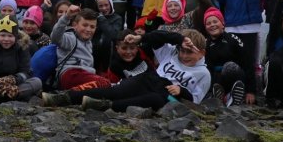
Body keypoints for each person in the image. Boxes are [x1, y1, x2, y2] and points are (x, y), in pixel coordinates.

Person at [45, 29, 209, 112]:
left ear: (202, 53)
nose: (184, 55)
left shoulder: (203, 74)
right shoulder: (171, 53)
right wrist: (179, 39)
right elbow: (157, 36)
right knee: (114, 90)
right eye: (182, 50)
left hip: (168, 96)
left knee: (155, 100)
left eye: (189, 52)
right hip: (150, 80)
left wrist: (181, 90)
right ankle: (65, 97)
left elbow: (196, 101)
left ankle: (105, 106)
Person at [47, 5, 110, 90]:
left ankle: (71, 94)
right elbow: (55, 37)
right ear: (75, 25)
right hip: (70, 74)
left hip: (84, 76)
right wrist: (66, 17)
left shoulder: (89, 43)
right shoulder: (70, 38)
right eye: (85, 25)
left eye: (92, 27)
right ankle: (68, 94)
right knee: (104, 83)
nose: (88, 29)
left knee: (106, 86)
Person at [202, 7, 256, 106]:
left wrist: (251, 91)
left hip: (235, 75)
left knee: (229, 67)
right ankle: (221, 96)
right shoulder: (205, 44)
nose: (212, 25)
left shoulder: (233, 39)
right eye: (208, 23)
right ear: (205, 27)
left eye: (215, 21)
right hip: (217, 80)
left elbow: (248, 63)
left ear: (223, 24)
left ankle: (235, 94)